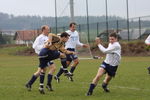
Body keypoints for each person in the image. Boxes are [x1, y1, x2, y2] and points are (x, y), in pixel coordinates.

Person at [25, 25, 55, 92]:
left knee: (44, 70)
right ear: (43, 30)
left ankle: (30, 84)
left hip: (47, 55)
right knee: (45, 69)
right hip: (43, 56)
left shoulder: (47, 37)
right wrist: (43, 47)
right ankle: (46, 85)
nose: (49, 30)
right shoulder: (40, 37)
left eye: (49, 29)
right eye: (47, 29)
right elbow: (34, 46)